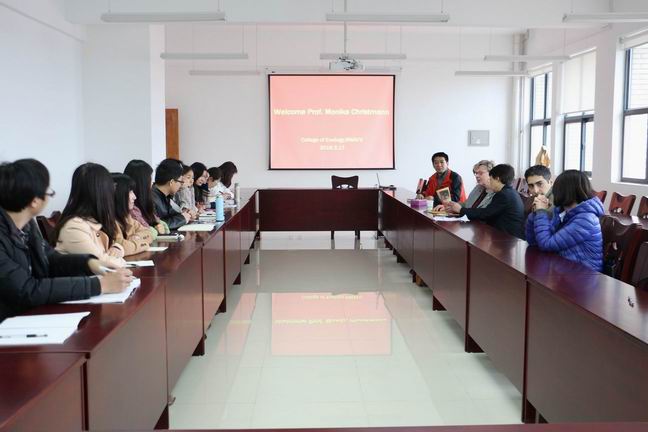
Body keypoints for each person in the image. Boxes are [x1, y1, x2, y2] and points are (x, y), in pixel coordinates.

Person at [0, 159, 133, 321]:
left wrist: (88, 263)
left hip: (31, 315)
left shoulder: (27, 225)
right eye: (48, 192)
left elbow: (50, 258)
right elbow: (26, 289)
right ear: (34, 201)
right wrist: (100, 285)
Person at [526, 170, 604, 271]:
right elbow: (533, 242)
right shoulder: (563, 212)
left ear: (565, 191)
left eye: (556, 189)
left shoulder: (586, 220)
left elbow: (546, 244)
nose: (554, 192)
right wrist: (536, 212)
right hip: (564, 267)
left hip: (583, 274)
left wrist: (541, 212)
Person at [54, 163, 127, 268]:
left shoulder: (93, 221)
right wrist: (118, 259)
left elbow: (111, 250)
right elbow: (104, 264)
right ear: (101, 193)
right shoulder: (74, 226)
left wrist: (118, 248)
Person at [444, 164, 525, 240]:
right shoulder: (508, 192)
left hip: (508, 238)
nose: (490, 182)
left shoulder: (504, 195)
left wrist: (461, 210)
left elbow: (486, 213)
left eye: (491, 179)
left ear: (497, 179)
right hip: (503, 235)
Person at [124, 160, 169, 239]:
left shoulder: (145, 201)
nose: (152, 183)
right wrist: (155, 229)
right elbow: (146, 232)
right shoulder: (131, 207)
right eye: (150, 179)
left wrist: (160, 225)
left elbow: (156, 221)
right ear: (142, 183)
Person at [112, 174, 153, 256]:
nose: (135, 197)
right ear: (119, 195)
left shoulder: (126, 217)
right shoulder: (108, 220)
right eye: (130, 192)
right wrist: (143, 244)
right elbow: (121, 246)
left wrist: (137, 237)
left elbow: (148, 233)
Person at [152, 159, 190, 230]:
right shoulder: (151, 198)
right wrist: (182, 219)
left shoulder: (164, 196)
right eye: (180, 182)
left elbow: (172, 215)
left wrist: (186, 214)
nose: (181, 185)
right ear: (171, 182)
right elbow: (157, 226)